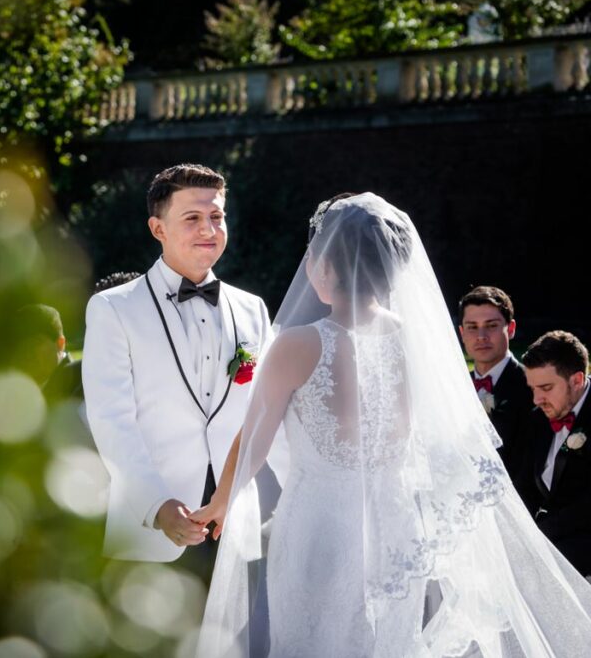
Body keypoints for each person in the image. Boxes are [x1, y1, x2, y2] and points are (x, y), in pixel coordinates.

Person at [193, 193, 591, 657]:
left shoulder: (296, 346)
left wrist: (218, 503)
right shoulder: (417, 341)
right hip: (396, 534)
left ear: (326, 267)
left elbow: (252, 441)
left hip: (317, 531)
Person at [82, 163, 288, 572]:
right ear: (157, 228)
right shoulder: (113, 308)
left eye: (216, 216)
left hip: (237, 525)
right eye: (192, 218)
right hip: (151, 531)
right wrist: (156, 505)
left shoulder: (252, 309)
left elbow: (267, 412)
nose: (208, 229)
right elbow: (110, 420)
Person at [515, 331, 591, 576]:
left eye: (546, 388)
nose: (537, 399)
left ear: (577, 380)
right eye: (533, 389)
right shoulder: (539, 418)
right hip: (551, 540)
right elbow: (526, 485)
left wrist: (539, 537)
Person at [458, 286, 533, 478]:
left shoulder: (534, 387)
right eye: (472, 327)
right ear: (462, 333)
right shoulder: (455, 387)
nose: (481, 336)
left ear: (511, 329)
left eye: (491, 325)